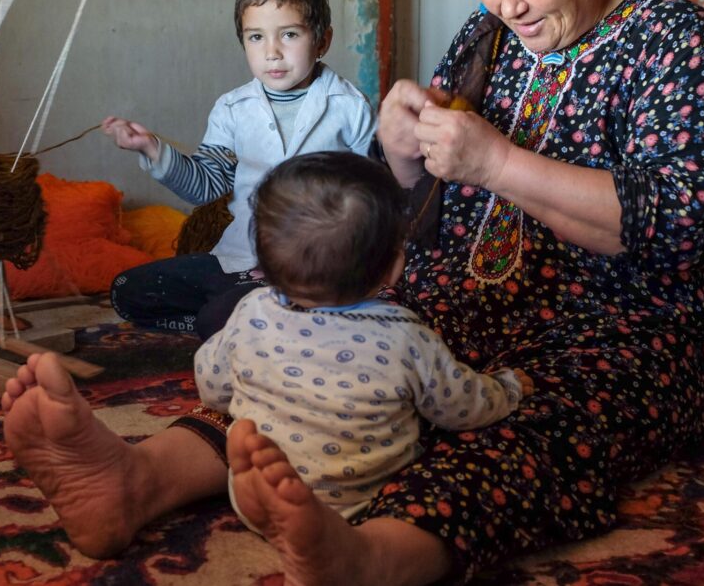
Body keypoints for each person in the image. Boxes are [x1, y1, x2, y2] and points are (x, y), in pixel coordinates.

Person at [2, 0, 704, 582]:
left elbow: (681, 225)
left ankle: (370, 557)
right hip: (459, 298)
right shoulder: (486, 32)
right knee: (312, 352)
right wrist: (397, 151)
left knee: (533, 425)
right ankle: (138, 480)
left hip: (616, 328)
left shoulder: (672, 41)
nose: (506, 3)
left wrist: (498, 163)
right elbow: (409, 199)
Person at [195, 151, 527, 525]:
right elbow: (461, 408)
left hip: (260, 489)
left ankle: (261, 502)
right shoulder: (407, 337)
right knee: (458, 458)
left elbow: (212, 387)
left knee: (243, 426)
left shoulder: (251, 311)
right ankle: (332, 534)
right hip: (364, 505)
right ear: (393, 266)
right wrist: (506, 389)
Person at [101, 0, 376, 341]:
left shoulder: (349, 107)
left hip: (316, 265)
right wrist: (152, 149)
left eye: (290, 35)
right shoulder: (232, 108)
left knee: (219, 315)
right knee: (127, 290)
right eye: (256, 37)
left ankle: (244, 319)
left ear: (322, 40)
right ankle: (249, 320)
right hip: (239, 259)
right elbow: (205, 187)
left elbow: (374, 197)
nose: (273, 52)